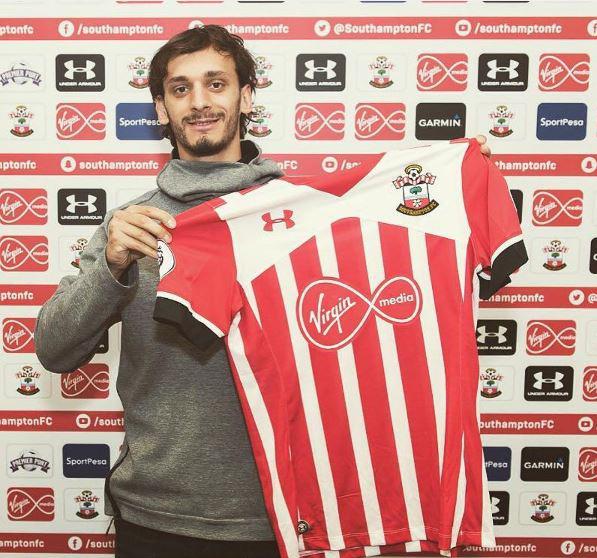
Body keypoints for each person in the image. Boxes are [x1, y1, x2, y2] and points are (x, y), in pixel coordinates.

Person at [34, 25, 493, 558]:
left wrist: (455, 178)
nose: (200, 102)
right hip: (157, 515)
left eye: (216, 83)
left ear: (246, 96)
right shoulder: (130, 227)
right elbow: (54, 349)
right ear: (161, 109)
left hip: (287, 515)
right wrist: (109, 269)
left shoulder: (309, 215)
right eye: (180, 89)